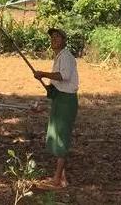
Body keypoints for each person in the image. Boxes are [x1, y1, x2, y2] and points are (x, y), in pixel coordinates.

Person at [33, 28, 79, 189]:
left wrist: (43, 74)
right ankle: (62, 177)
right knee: (57, 135)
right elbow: (59, 82)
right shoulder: (59, 56)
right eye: (52, 37)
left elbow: (63, 76)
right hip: (60, 99)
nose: (54, 39)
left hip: (66, 102)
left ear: (64, 40)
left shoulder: (66, 56)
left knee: (61, 138)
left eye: (57, 37)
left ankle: (57, 180)